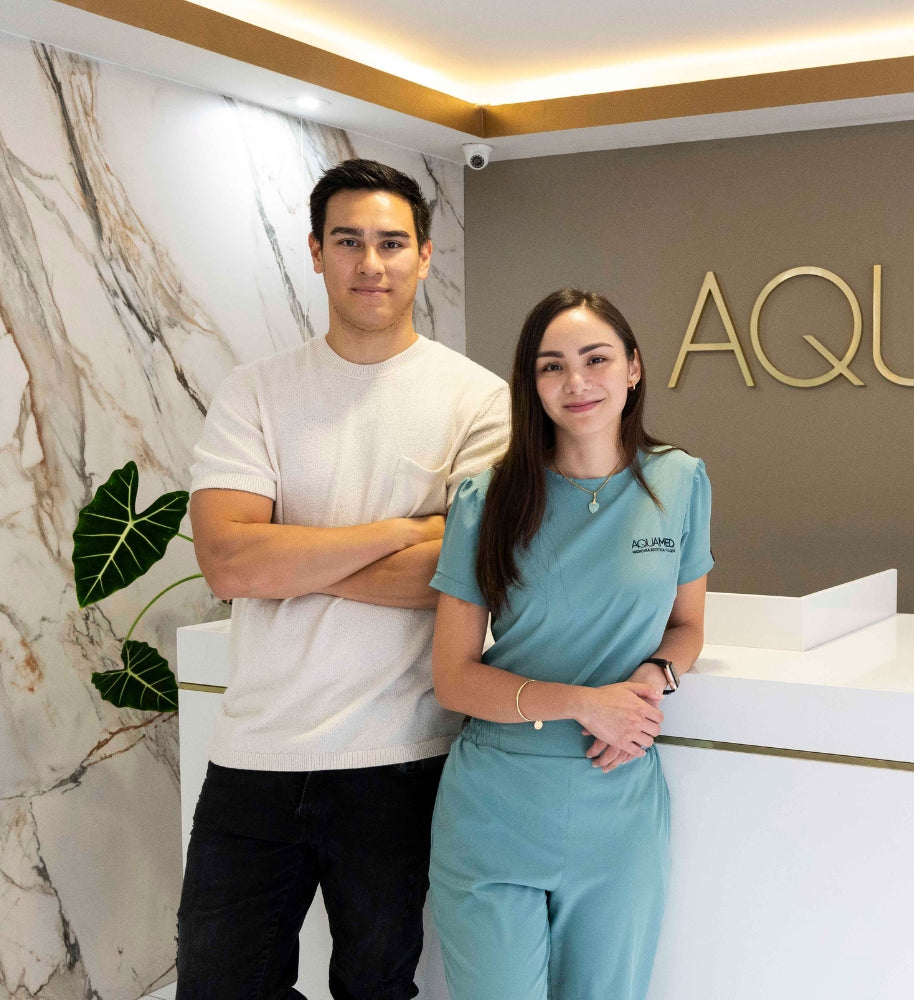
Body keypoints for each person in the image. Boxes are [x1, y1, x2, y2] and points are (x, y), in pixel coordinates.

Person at [179, 159, 510, 1000]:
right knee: (220, 986)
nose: (372, 263)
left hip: (400, 758)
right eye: (350, 241)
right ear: (318, 254)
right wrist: (404, 530)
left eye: (393, 243)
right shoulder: (255, 392)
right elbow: (228, 561)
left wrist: (290, 560)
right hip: (255, 754)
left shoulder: (478, 401)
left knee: (377, 988)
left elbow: (461, 576)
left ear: (426, 257)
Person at [427, 288, 712, 1000]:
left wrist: (652, 681)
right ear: (531, 385)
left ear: (634, 368)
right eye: (551, 367)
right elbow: (454, 678)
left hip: (616, 810)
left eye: (596, 359)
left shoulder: (680, 480)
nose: (577, 382)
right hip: (496, 808)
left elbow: (689, 625)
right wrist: (588, 704)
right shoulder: (486, 497)